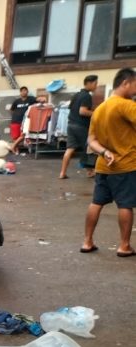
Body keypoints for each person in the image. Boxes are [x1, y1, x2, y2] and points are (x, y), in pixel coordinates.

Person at [81, 68, 136, 258]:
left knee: (96, 202)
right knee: (125, 205)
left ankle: (87, 241)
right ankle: (124, 245)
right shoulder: (127, 105)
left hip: (103, 165)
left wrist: (104, 152)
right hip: (126, 164)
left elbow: (91, 140)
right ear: (126, 83)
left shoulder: (100, 109)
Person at [61, 75, 99, 179]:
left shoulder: (76, 95)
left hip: (71, 125)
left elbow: (72, 109)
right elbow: (82, 111)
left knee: (70, 149)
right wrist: (96, 113)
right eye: (95, 84)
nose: (96, 86)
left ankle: (62, 173)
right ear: (89, 83)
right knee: (88, 148)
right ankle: (90, 171)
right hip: (81, 126)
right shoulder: (87, 96)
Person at [9, 86, 36, 154]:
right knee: (15, 137)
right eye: (22, 91)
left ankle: (13, 146)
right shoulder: (16, 101)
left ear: (27, 92)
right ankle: (16, 150)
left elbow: (37, 103)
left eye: (25, 90)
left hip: (25, 121)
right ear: (20, 92)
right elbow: (11, 110)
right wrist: (15, 115)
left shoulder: (31, 99)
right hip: (15, 121)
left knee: (24, 135)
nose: (24, 92)